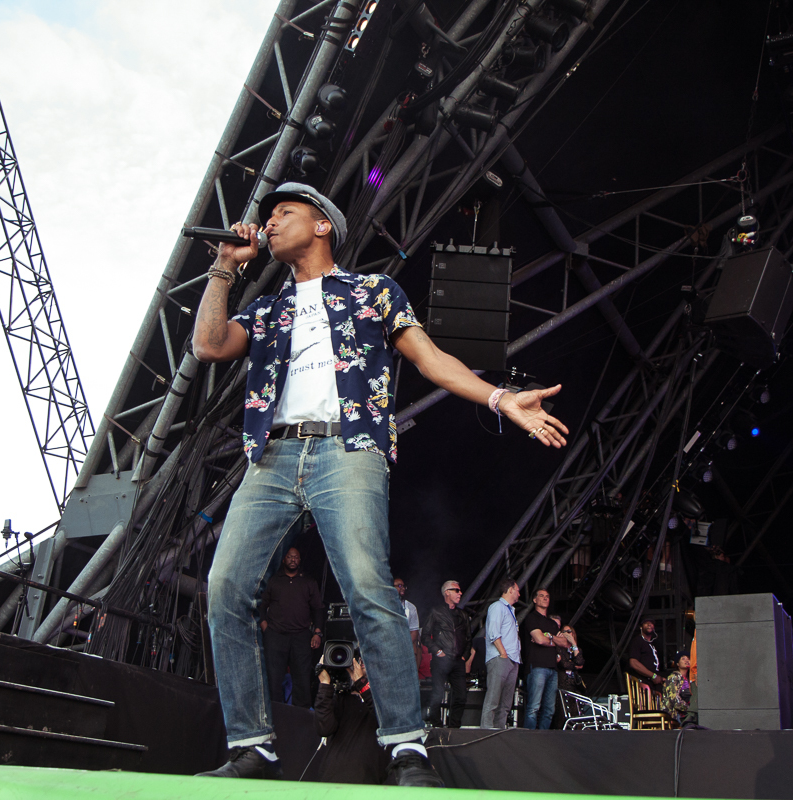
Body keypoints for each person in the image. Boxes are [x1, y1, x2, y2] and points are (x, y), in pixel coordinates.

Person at [194, 183, 568, 785]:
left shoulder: (372, 293)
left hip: (349, 448)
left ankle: (405, 747)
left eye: (284, 213)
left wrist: (501, 398)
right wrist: (223, 269)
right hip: (271, 457)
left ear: (322, 227)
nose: (269, 223)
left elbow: (429, 358)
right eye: (267, 217)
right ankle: (253, 747)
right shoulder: (267, 310)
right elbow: (210, 345)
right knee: (224, 587)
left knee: (370, 589)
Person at [258, 547, 323, 708]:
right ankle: (276, 717)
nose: (293, 560)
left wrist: (317, 633)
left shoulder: (308, 582)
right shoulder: (274, 581)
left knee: (302, 679)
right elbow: (260, 605)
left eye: (296, 557)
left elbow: (319, 609)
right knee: (273, 679)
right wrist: (265, 627)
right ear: (284, 559)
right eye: (290, 557)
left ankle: (301, 721)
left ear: (300, 560)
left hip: (301, 637)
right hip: (276, 636)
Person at [314, 656, 388, 784]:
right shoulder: (343, 697)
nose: (363, 659)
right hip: (333, 780)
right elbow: (324, 728)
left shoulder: (389, 698)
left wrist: (361, 683)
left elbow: (386, 720)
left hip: (368, 783)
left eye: (369, 654)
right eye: (361, 656)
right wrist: (325, 684)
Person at [421, 580, 473, 727]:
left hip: (457, 661)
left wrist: (464, 656)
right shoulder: (436, 612)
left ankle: (454, 727)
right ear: (447, 593)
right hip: (441, 660)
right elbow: (424, 635)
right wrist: (437, 651)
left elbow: (469, 639)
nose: (460, 593)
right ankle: (436, 726)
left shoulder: (462, 614)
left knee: (461, 696)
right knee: (437, 694)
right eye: (457, 590)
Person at [520, 588, 569, 729]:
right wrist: (551, 640)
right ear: (535, 600)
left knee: (549, 710)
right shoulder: (531, 618)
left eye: (547, 596)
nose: (545, 598)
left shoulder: (553, 624)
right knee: (534, 707)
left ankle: (543, 739)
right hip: (537, 666)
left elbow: (565, 643)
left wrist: (550, 637)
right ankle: (529, 739)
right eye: (541, 596)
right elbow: (539, 639)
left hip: (552, 668)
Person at [481, 579, 522, 729]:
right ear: (510, 590)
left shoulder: (510, 610)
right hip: (501, 658)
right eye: (517, 589)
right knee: (493, 700)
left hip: (512, 660)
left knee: (505, 704)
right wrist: (503, 653)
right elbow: (493, 632)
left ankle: (498, 733)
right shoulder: (497, 607)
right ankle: (485, 733)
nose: (519, 593)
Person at [627, 619, 664, 692]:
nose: (649, 624)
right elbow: (633, 662)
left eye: (651, 623)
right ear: (641, 627)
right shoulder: (638, 641)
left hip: (652, 684)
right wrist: (653, 676)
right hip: (642, 684)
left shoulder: (654, 644)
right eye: (646, 623)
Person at [553, 617, 585, 693]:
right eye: (565, 631)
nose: (567, 633)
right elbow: (563, 664)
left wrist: (574, 643)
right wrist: (575, 666)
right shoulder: (558, 648)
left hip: (574, 684)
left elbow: (580, 662)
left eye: (569, 631)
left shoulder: (577, 649)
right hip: (561, 682)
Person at [393, 577, 419, 665]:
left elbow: (414, 631)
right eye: (399, 586)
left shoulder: (410, 607)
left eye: (404, 586)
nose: (403, 588)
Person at [662, 652, 691, 727]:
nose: (687, 661)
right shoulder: (674, 677)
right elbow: (674, 699)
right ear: (677, 664)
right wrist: (689, 709)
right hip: (674, 713)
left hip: (686, 713)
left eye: (688, 659)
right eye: (683, 659)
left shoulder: (689, 679)